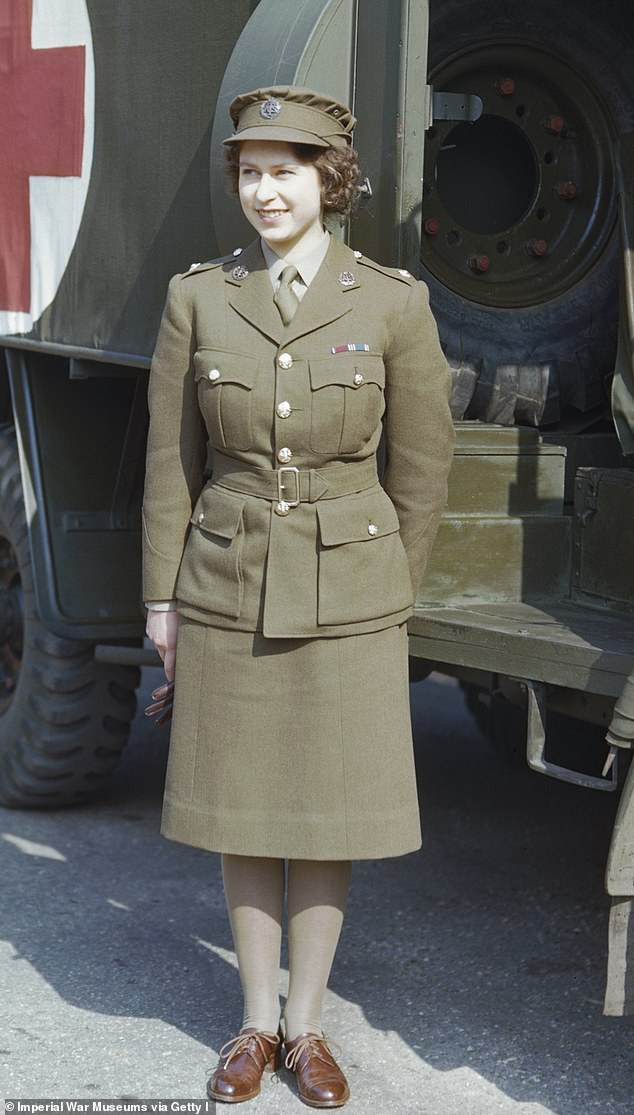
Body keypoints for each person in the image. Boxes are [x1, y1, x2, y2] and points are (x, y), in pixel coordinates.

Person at [143, 85, 454, 1108]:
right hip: (227, 578)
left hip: (348, 586)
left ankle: (308, 1025)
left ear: (329, 180)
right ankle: (253, 1020)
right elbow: (168, 465)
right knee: (245, 806)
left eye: (285, 170)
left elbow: (421, 469)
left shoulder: (392, 301)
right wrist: (161, 602)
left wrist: (386, 588)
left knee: (326, 814)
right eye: (248, 171)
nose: (264, 190)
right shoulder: (199, 296)